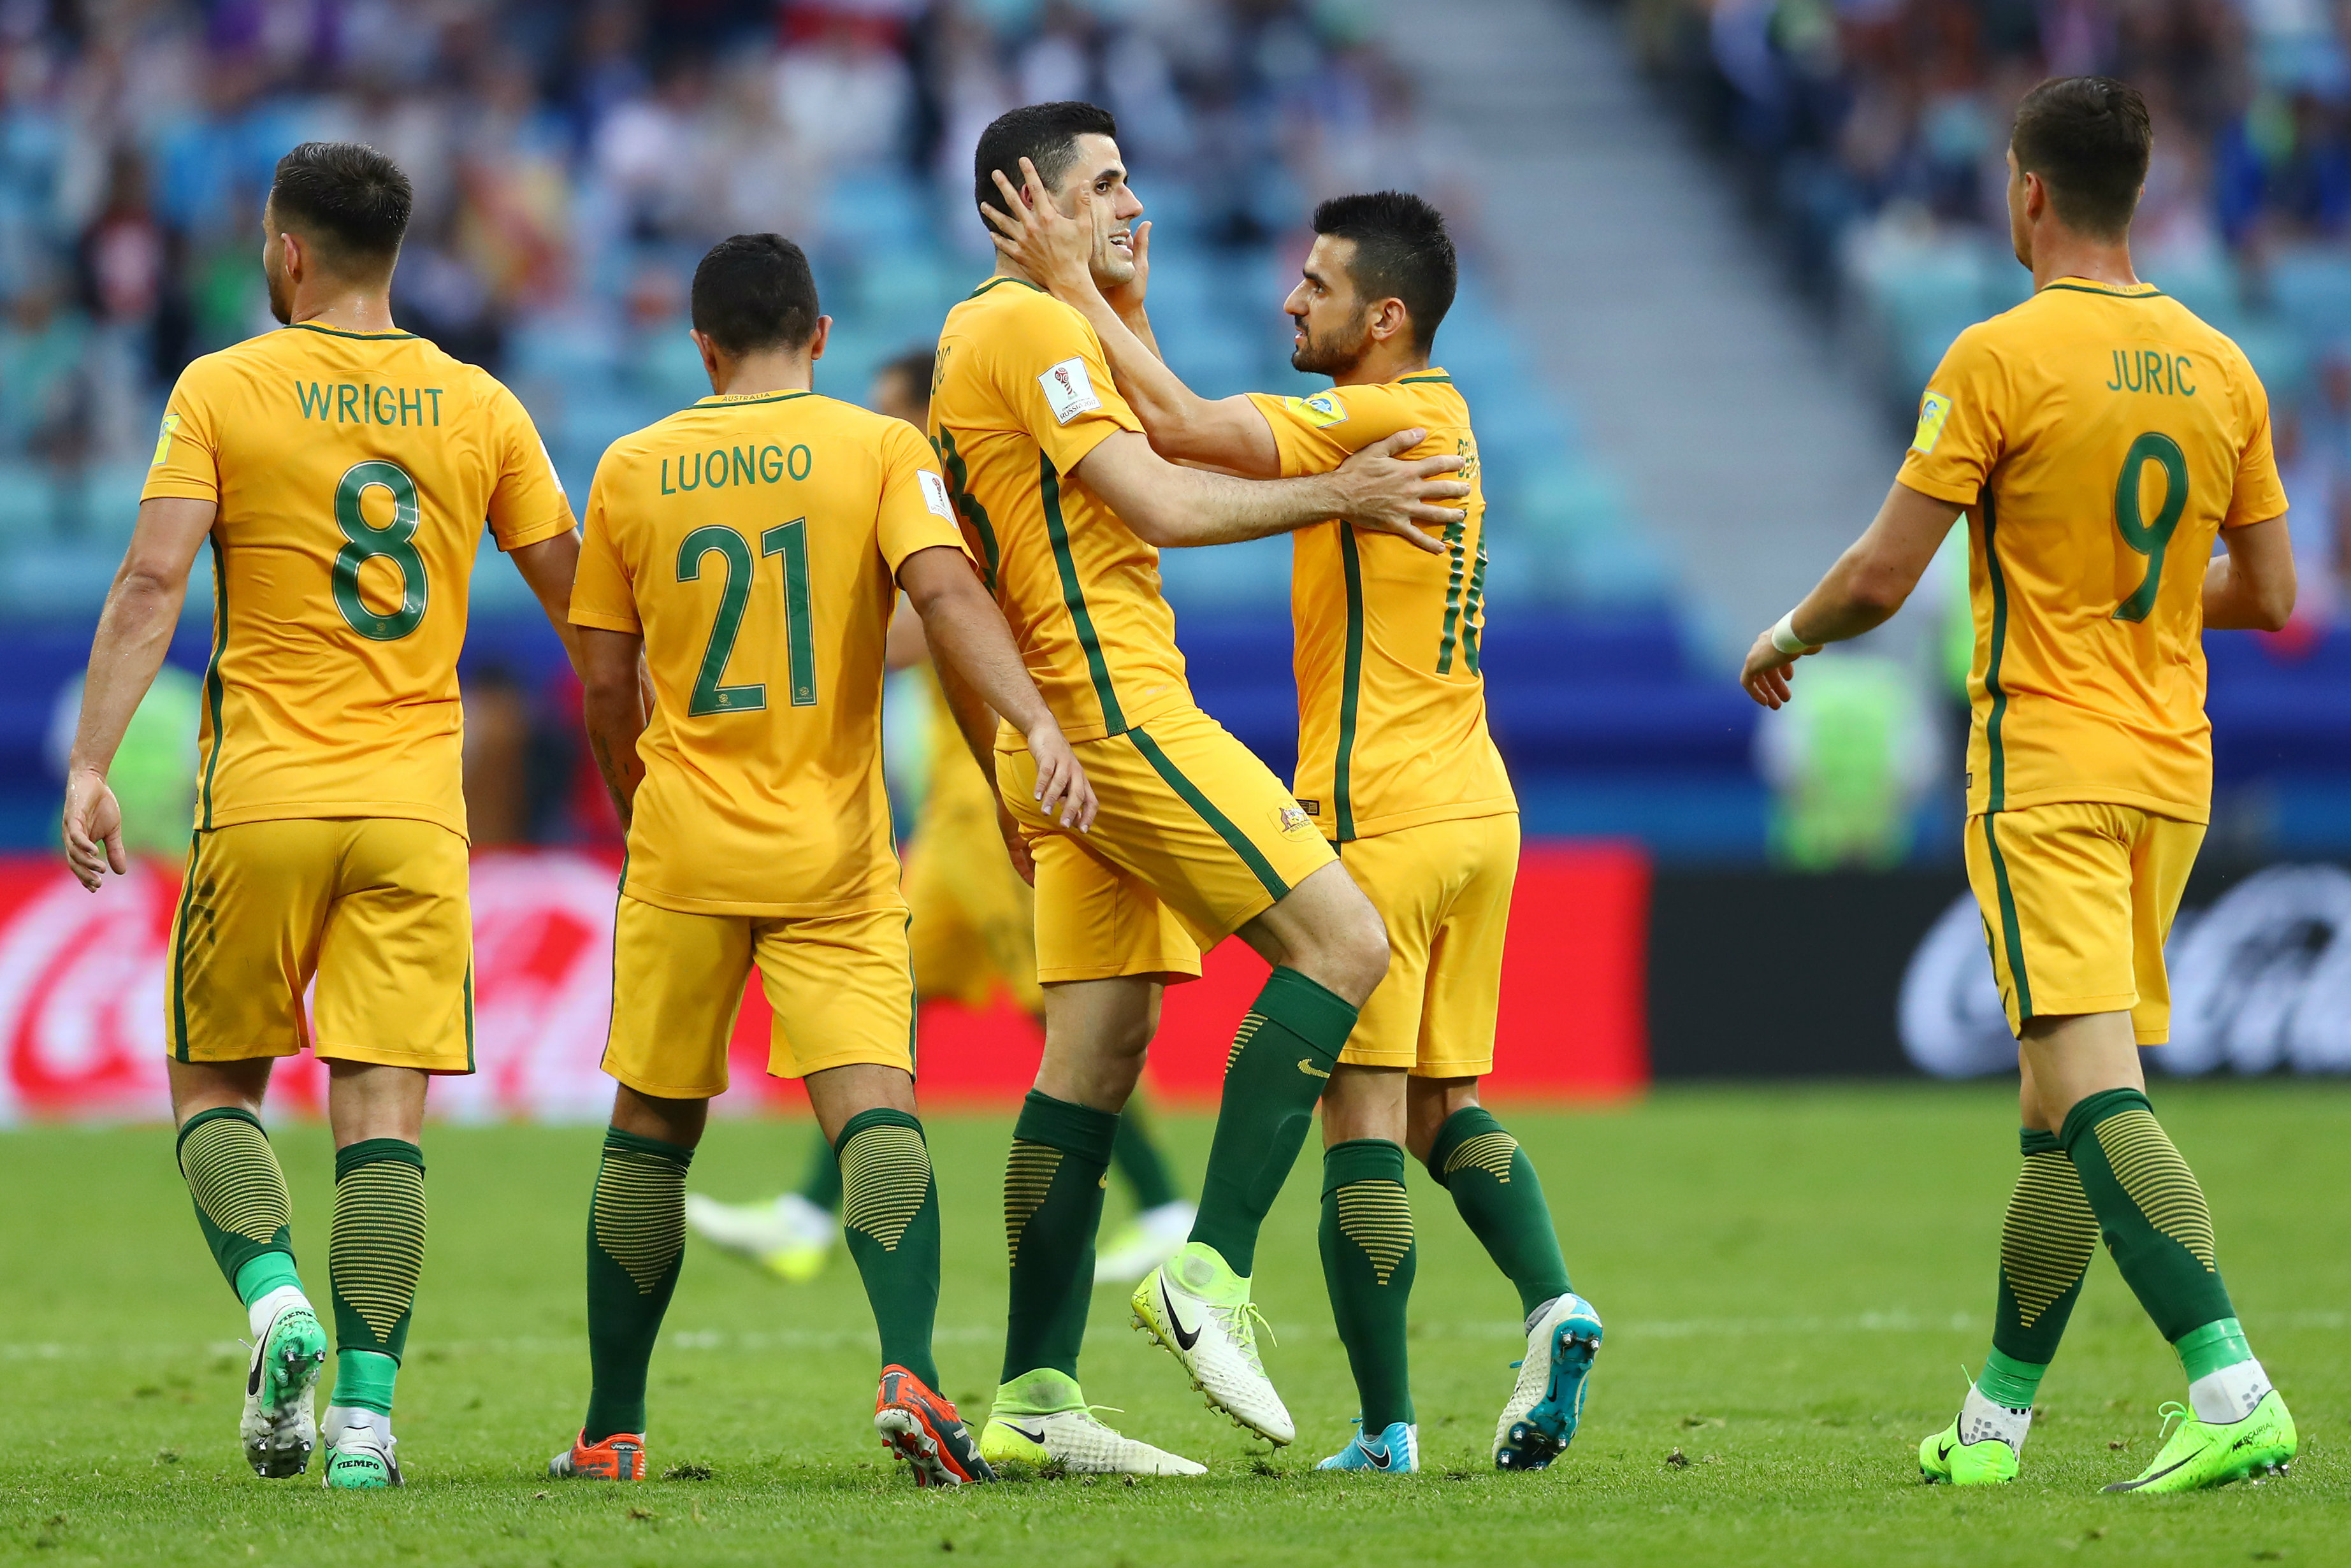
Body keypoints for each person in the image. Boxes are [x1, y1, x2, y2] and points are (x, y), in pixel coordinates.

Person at [1737, 77, 2299, 1495]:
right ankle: (1992, 1424)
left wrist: (1788, 633)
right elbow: (2275, 592)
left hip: (2046, 767)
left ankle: (2231, 1382)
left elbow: (1880, 577)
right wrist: (2144, 593)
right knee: (2058, 1103)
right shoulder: (2224, 363)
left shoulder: (1998, 355)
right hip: (2172, 768)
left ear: (2029, 192)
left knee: (2092, 1081)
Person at [987, 185, 1599, 1476]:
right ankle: (1555, 1300)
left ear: (1384, 317)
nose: (1289, 298)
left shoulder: (1370, 412)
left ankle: (1375, 1423)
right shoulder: (1450, 414)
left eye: (1314, 285)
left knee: (1362, 1122)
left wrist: (1073, 281)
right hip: (1480, 804)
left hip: (1380, 803)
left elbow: (1187, 431)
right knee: (1449, 1106)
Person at [934, 101, 1471, 1476]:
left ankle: (1036, 1394)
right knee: (1346, 939)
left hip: (1062, 727)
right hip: (1115, 704)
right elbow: (1164, 500)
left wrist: (1125, 300)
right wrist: (1341, 493)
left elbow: (1153, 453)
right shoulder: (1027, 330)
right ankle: (1206, 1276)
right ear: (1031, 204)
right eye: (1104, 186)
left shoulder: (1004, 331)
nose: (1131, 203)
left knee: (1094, 1059)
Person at [60, 141, 585, 1488]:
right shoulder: (481, 406)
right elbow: (584, 601)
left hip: (264, 801)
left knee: (213, 1082)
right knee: (384, 1117)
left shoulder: (223, 386)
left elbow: (147, 583)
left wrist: (90, 763)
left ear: (285, 253)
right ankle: (363, 1425)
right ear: (394, 255)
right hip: (417, 810)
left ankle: (277, 1302)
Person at [551, 234, 1094, 1489]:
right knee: (875, 1113)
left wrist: (639, 796)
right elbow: (956, 607)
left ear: (702, 346)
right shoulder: (880, 450)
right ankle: (910, 1366)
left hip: (684, 840)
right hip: (834, 851)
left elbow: (601, 679)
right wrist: (1035, 726)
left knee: (650, 1126)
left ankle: (614, 1429)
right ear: (823, 335)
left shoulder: (633, 467)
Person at [683, 349, 1197, 1288]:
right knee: (889, 1004)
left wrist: (790, 628)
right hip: (957, 819)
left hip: (1001, 799)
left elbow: (923, 631)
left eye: (895, 413)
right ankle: (807, 1210)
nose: (886, 432)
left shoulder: (959, 509)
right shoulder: (920, 504)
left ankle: (1167, 1204)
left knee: (1068, 1012)